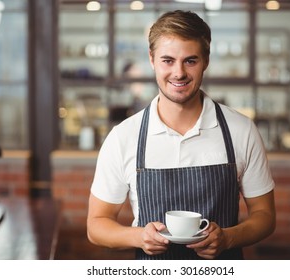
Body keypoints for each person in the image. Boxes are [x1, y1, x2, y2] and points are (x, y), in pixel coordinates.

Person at [87, 10, 276, 260]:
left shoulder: (241, 131)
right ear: (152, 59)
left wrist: (229, 238)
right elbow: (96, 225)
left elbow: (265, 216)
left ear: (205, 61)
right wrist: (138, 237)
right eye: (168, 60)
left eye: (190, 60)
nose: (179, 73)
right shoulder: (124, 137)